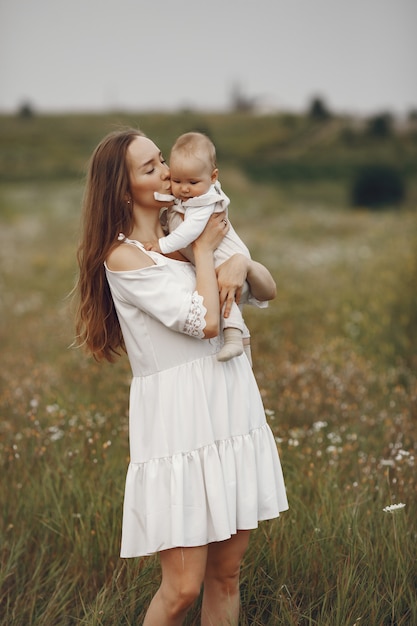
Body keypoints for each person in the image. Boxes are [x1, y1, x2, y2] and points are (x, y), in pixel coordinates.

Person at [74, 128, 288, 626]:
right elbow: (205, 322)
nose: (167, 172)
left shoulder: (187, 224)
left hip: (229, 403)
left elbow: (267, 291)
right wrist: (207, 256)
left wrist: (241, 261)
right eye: (150, 168)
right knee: (182, 588)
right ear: (124, 190)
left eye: (161, 160)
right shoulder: (124, 256)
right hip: (178, 424)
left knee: (226, 576)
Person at [144, 132, 255, 363]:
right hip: (221, 260)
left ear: (213, 177)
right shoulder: (193, 195)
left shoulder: (205, 203)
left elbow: (189, 232)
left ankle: (234, 338)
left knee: (222, 293)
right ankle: (240, 344)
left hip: (228, 259)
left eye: (192, 183)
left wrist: (162, 245)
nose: (183, 189)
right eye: (177, 181)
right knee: (220, 291)